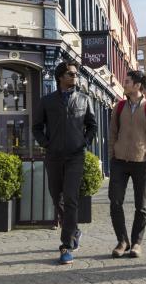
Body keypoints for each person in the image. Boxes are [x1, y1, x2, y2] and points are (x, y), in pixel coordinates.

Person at [32, 60, 98, 265]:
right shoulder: (47, 101)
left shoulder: (85, 100)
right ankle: (74, 230)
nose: (75, 77)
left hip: (75, 156)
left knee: (71, 198)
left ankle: (66, 245)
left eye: (76, 74)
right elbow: (36, 127)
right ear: (60, 77)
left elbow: (92, 126)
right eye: (71, 74)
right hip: (54, 156)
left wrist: (84, 143)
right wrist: (46, 144)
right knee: (56, 196)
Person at [107, 69, 146, 259]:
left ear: (138, 85)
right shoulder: (119, 107)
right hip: (119, 161)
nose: (125, 83)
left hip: (141, 162)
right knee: (115, 202)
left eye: (128, 81)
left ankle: (137, 243)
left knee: (141, 206)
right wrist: (112, 155)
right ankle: (122, 241)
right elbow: (112, 132)